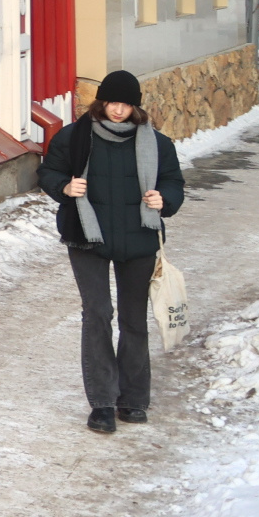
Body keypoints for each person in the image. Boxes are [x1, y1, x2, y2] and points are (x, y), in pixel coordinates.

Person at [36, 70, 183, 434]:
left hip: (139, 240)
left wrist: (164, 198)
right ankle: (102, 402)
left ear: (136, 107)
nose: (118, 110)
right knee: (98, 313)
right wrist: (65, 187)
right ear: (101, 102)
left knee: (134, 320)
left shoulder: (157, 143)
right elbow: (48, 173)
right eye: (112, 102)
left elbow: (173, 181)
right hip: (87, 237)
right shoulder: (74, 138)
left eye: (126, 104)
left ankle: (132, 400)